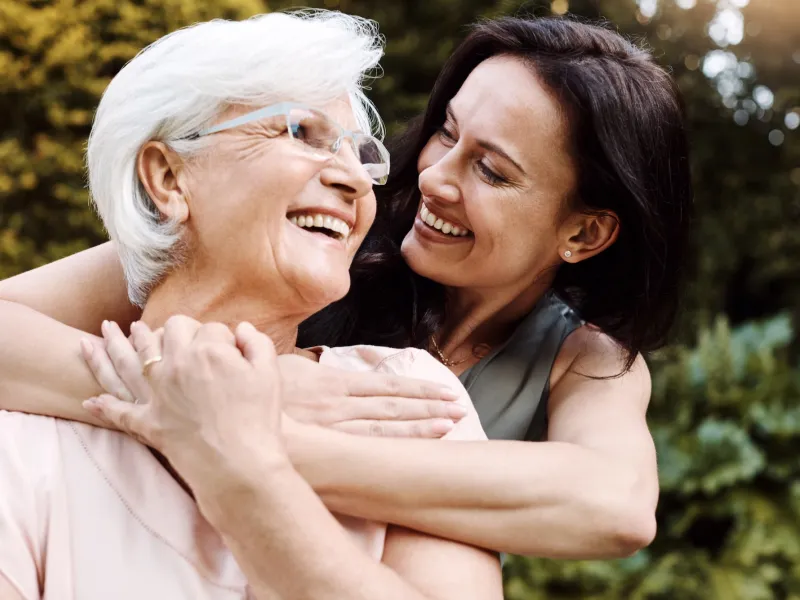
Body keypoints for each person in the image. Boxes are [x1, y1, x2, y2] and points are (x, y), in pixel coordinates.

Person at [0, 15, 693, 559]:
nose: (433, 177)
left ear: (584, 234)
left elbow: (615, 507)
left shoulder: (584, 360)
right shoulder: (315, 239)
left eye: (492, 171)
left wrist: (252, 438)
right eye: (446, 132)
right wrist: (216, 389)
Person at [0, 11, 502, 600]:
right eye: (301, 132)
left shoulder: (408, 398)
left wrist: (237, 465)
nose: (355, 179)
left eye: (361, 153)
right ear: (168, 178)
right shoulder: (23, 442)